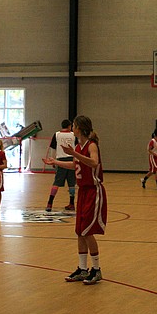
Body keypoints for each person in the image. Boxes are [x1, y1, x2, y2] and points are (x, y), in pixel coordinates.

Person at [44, 115, 106, 285]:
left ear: (81, 128)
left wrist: (74, 153)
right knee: (79, 231)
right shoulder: (78, 146)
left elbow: (94, 163)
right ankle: (82, 268)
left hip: (94, 191)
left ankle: (96, 269)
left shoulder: (91, 145)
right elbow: (75, 165)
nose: (72, 128)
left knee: (87, 231)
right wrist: (55, 161)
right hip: (83, 192)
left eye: (74, 126)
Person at [44, 120, 76, 212]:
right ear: (70, 126)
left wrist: (53, 160)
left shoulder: (57, 134)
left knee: (56, 183)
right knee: (71, 183)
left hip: (60, 160)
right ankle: (72, 203)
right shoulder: (74, 135)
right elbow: (77, 148)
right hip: (71, 160)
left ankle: (50, 203)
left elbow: (53, 148)